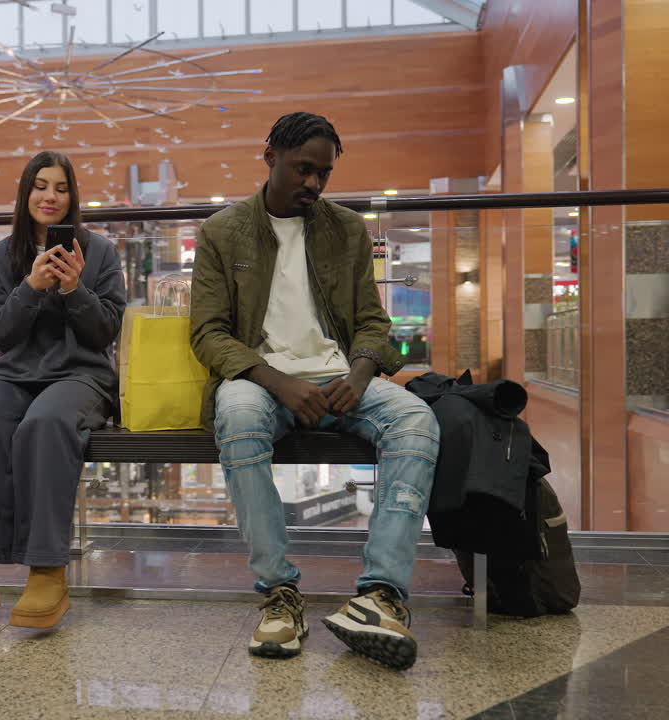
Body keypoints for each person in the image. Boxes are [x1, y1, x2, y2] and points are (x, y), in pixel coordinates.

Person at [189, 112, 439, 670]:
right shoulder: (221, 233)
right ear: (270, 157)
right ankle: (280, 594)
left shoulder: (345, 230)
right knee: (238, 417)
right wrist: (278, 380)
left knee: (415, 420)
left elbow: (374, 324)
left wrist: (359, 373)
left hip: (340, 377)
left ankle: (380, 595)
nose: (313, 184)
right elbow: (208, 333)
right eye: (303, 169)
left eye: (323, 174)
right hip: (261, 378)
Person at [0, 151, 125, 629]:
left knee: (46, 423)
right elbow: (0, 334)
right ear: (25, 194)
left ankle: (46, 571)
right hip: (14, 373)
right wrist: (31, 285)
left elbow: (105, 332)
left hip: (82, 375)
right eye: (40, 186)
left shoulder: (100, 252)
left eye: (61, 188)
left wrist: (72, 289)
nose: (50, 196)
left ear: (73, 196)